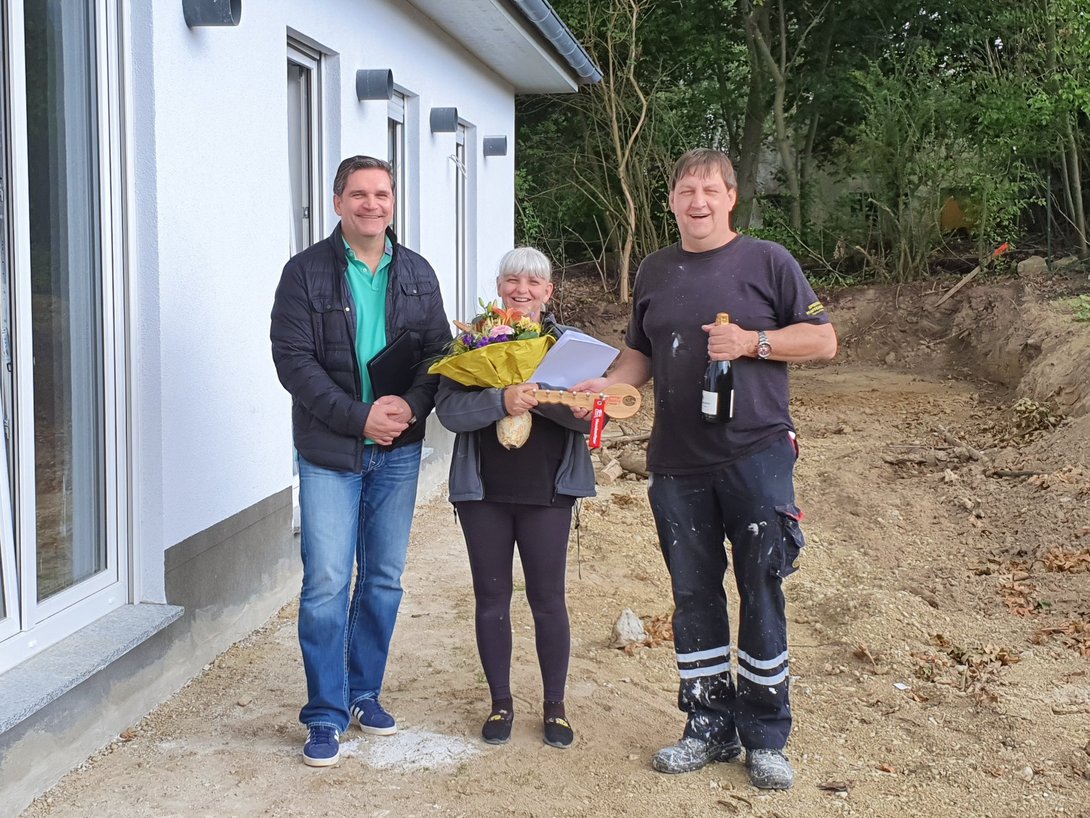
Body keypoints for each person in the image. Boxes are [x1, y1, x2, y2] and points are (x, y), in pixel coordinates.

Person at [573, 149, 837, 789]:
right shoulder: (655, 270)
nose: (698, 201)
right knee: (693, 594)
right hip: (677, 462)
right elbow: (640, 354)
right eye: (687, 190)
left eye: (710, 190)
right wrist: (608, 386)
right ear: (671, 200)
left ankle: (766, 737)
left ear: (731, 198)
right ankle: (707, 726)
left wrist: (753, 342)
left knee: (761, 586)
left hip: (756, 453)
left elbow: (824, 340)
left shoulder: (768, 261)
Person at [270, 155, 451, 767]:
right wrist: (358, 417)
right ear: (337, 202)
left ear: (392, 202)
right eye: (359, 194)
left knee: (383, 578)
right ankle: (324, 712)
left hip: (397, 450)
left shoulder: (417, 272)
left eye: (382, 194)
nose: (372, 204)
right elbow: (294, 363)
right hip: (330, 450)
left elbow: (439, 355)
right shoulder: (305, 273)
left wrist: (411, 406)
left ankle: (362, 692)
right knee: (326, 582)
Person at [433, 247, 595, 750]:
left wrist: (538, 392)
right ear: (499, 286)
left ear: (548, 291)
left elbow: (590, 415)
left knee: (548, 599)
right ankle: (500, 702)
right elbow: (449, 411)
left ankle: (555, 707)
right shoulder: (472, 343)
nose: (521, 290)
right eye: (511, 280)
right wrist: (500, 398)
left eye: (533, 282)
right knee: (491, 599)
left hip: (548, 492)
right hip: (484, 492)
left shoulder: (570, 347)